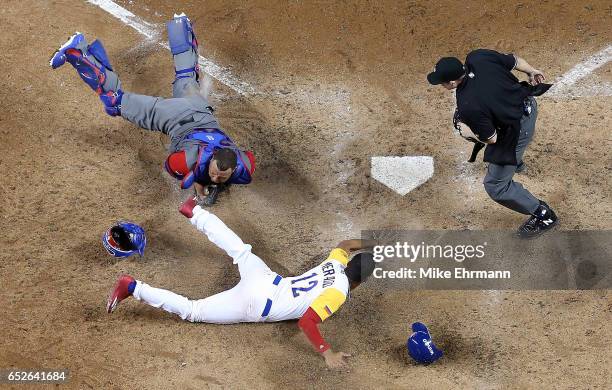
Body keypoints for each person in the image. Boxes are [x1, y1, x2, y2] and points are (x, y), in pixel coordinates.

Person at [106, 197, 376, 369]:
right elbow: (306, 322)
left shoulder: (335, 263)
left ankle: (195, 212)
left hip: (267, 279)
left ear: (350, 264)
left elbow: (345, 245)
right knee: (193, 310)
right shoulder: (339, 292)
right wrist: (327, 353)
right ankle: (133, 287)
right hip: (255, 304)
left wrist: (373, 243)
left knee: (241, 251)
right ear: (360, 283)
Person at [49, 13, 255, 205]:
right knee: (115, 102)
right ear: (212, 160)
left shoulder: (245, 167)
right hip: (173, 116)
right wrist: (198, 180)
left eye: (222, 177)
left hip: (199, 107)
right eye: (215, 173)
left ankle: (180, 24)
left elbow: (245, 158)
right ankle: (77, 51)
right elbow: (170, 166)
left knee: (186, 77)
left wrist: (209, 179)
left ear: (234, 169)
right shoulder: (189, 161)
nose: (216, 178)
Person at [427, 50, 558, 238]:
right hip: (527, 103)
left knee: (496, 186)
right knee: (507, 144)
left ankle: (543, 215)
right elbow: (515, 61)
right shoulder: (478, 57)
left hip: (517, 129)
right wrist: (531, 71)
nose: (440, 84)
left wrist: (468, 131)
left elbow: (492, 139)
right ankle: (516, 162)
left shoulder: (468, 104)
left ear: (453, 83)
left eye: (441, 82)